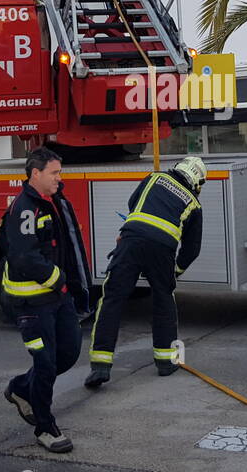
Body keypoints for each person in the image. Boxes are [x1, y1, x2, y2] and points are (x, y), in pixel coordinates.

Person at [84, 156, 205, 388]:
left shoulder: (154, 177)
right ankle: (165, 363)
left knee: (112, 299)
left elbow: (133, 203)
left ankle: (100, 365)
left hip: (130, 241)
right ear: (197, 181)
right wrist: (175, 271)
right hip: (162, 251)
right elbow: (192, 249)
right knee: (163, 301)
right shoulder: (194, 204)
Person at [1, 147, 90, 453]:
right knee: (46, 362)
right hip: (33, 305)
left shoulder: (52, 200)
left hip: (58, 298)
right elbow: (25, 258)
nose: (59, 178)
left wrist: (72, 286)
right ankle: (45, 426)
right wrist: (60, 280)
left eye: (60, 172)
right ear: (35, 174)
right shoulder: (26, 208)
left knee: (68, 353)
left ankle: (21, 388)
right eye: (54, 173)